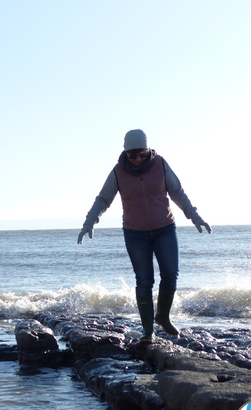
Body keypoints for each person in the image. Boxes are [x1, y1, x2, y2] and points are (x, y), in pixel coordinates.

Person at [77, 129, 211, 344]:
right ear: (125, 153)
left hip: (165, 228)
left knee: (170, 274)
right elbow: (103, 199)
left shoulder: (160, 164)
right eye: (132, 155)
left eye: (142, 153)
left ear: (148, 150)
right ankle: (148, 331)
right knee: (144, 280)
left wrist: (194, 216)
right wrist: (89, 222)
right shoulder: (118, 172)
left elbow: (177, 192)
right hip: (135, 234)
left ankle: (163, 317)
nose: (138, 159)